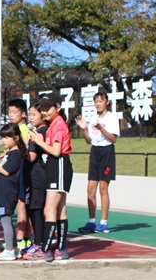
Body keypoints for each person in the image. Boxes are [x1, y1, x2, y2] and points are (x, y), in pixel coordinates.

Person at [28, 94, 73, 262]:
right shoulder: (55, 124)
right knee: (60, 209)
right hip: (57, 166)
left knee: (49, 210)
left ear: (58, 108)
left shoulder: (58, 125)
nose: (45, 112)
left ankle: (45, 250)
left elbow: (56, 151)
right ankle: (61, 249)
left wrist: (39, 141)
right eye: (43, 109)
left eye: (48, 109)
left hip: (59, 164)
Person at [76, 89, 120, 234]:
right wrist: (84, 129)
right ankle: (91, 221)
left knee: (103, 189)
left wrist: (101, 129)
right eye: (96, 101)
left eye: (101, 101)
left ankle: (104, 222)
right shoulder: (93, 118)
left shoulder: (112, 118)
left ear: (107, 102)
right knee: (90, 189)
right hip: (95, 152)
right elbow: (89, 141)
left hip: (107, 152)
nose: (98, 104)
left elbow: (113, 139)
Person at [0, 123, 28, 261]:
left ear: (16, 137)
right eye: (2, 137)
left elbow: (7, 172)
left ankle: (9, 249)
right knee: (6, 219)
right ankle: (13, 248)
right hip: (5, 190)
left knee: (5, 220)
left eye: (7, 137)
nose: (3, 140)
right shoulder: (10, 153)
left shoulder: (15, 154)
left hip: (8, 191)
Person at [21, 101, 49, 258]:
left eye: (34, 114)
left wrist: (21, 147)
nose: (30, 118)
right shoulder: (36, 131)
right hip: (32, 177)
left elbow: (31, 157)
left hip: (37, 178)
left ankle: (40, 243)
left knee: (37, 210)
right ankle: (38, 241)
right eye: (29, 114)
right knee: (33, 209)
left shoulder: (41, 132)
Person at [7, 98, 32, 253]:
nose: (11, 115)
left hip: (23, 171)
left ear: (23, 114)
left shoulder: (23, 130)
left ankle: (20, 239)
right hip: (21, 170)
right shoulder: (18, 128)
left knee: (21, 204)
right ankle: (26, 237)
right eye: (9, 112)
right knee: (21, 204)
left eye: (14, 112)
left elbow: (24, 149)